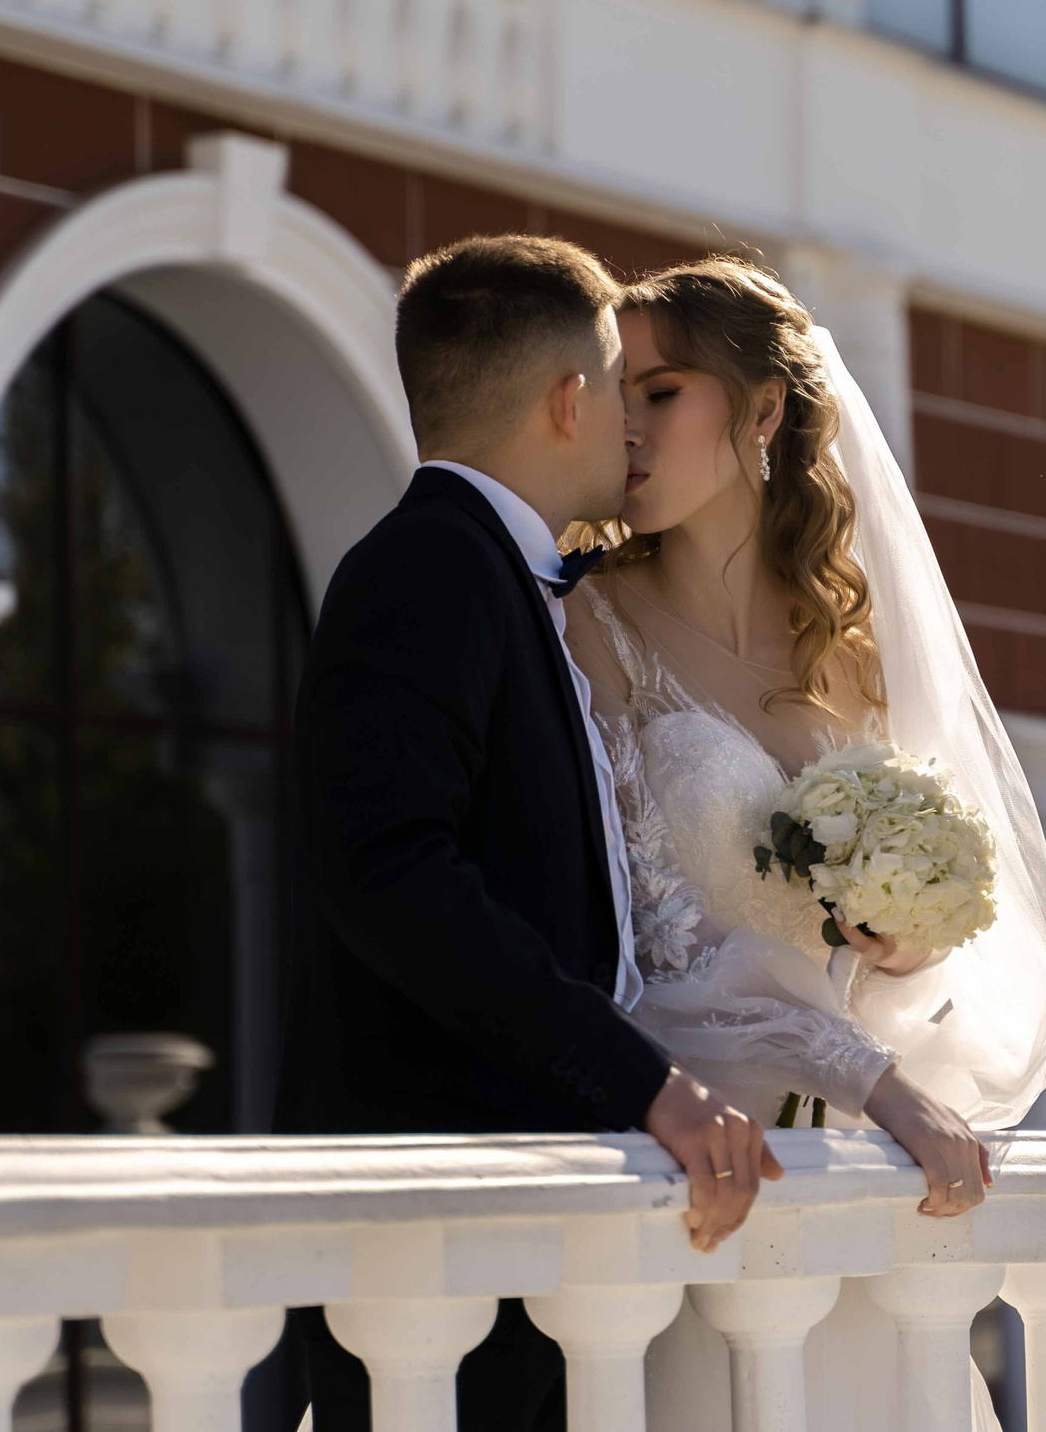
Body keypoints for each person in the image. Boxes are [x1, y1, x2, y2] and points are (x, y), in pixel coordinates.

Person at [563, 258, 1046, 1430]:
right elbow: (632, 965)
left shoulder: (848, 655)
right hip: (696, 1177)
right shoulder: (583, 622)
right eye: (616, 393)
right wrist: (869, 1078)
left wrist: (899, 947)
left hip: (846, 1184)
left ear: (761, 411)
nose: (628, 428)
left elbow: (892, 957)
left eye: (664, 392)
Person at [275, 236, 783, 1432]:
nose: (632, 425)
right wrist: (641, 1082)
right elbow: (391, 872)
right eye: (619, 388)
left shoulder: (510, 581)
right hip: (441, 1238)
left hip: (528, 1239)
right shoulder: (425, 571)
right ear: (570, 400)